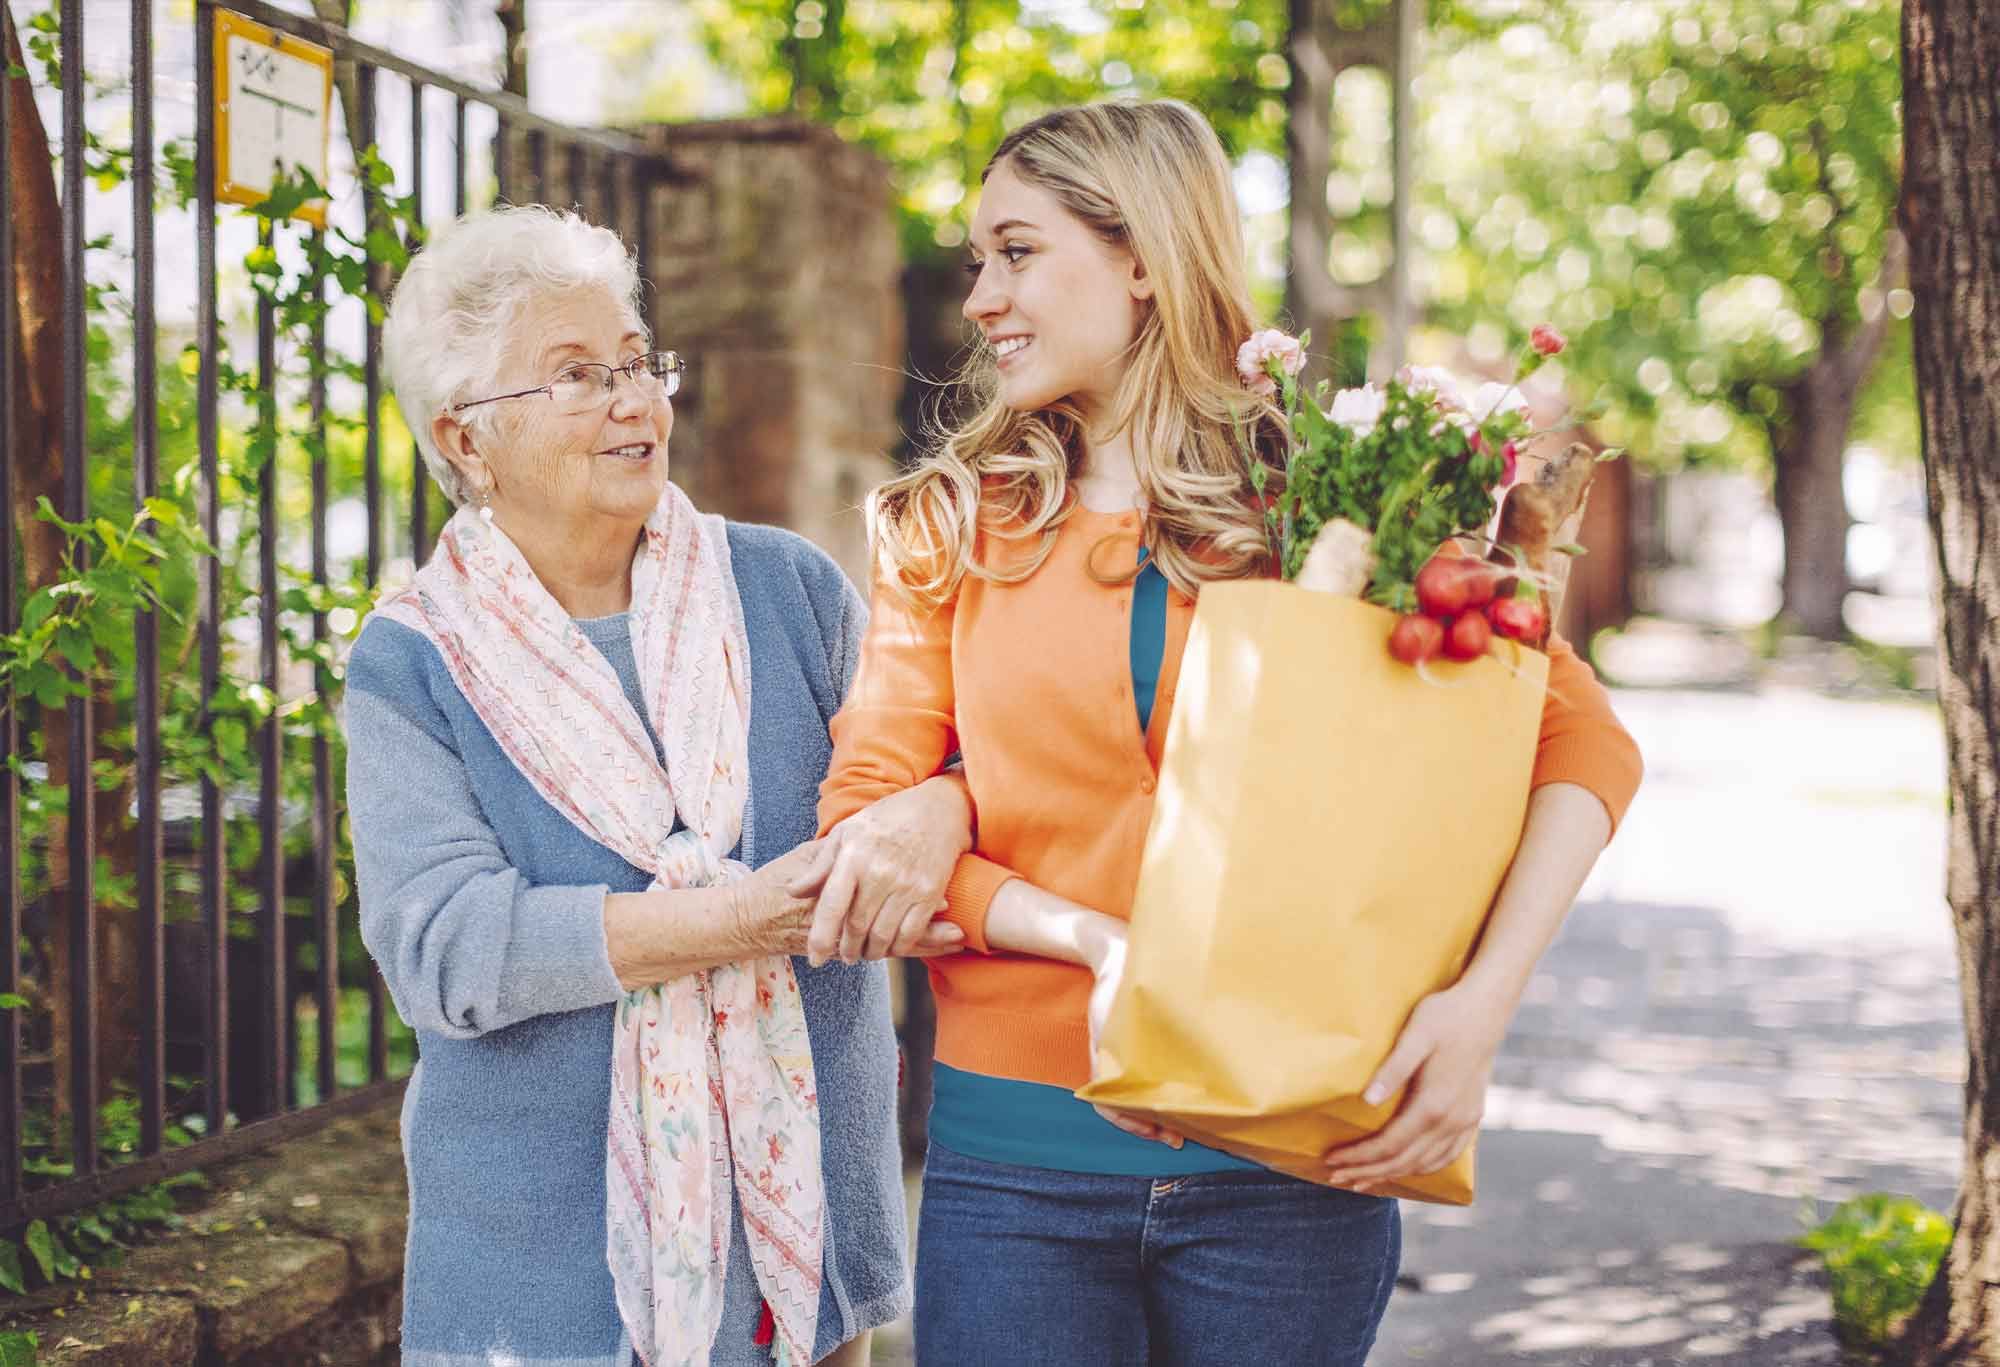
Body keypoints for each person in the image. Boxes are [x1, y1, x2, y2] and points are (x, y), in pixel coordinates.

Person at [808, 101, 1645, 1366]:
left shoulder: (1341, 498)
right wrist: (1087, 938)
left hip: (1293, 1146)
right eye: (978, 258)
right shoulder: (945, 525)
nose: (980, 296)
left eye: (1016, 252)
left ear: (1141, 255)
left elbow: (1576, 743)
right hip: (1014, 1166)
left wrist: (1476, 1011)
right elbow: (858, 839)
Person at [345, 205, 968, 1367]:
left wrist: (938, 802)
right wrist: (732, 919)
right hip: (541, 1275)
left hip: (804, 1248)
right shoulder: (412, 658)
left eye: (638, 362)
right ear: (466, 439)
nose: (637, 401)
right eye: (578, 376)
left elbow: (927, 784)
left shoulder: (786, 589)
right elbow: (446, 945)